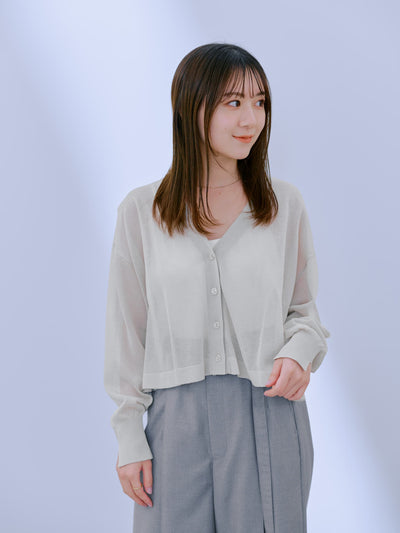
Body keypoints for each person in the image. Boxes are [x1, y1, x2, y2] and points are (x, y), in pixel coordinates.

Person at [103, 42, 330, 533]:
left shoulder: (284, 205)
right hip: (174, 423)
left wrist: (299, 354)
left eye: (260, 102)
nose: (251, 118)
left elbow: (305, 314)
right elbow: (126, 333)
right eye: (234, 102)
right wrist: (129, 436)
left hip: (268, 411)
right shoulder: (141, 212)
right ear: (193, 106)